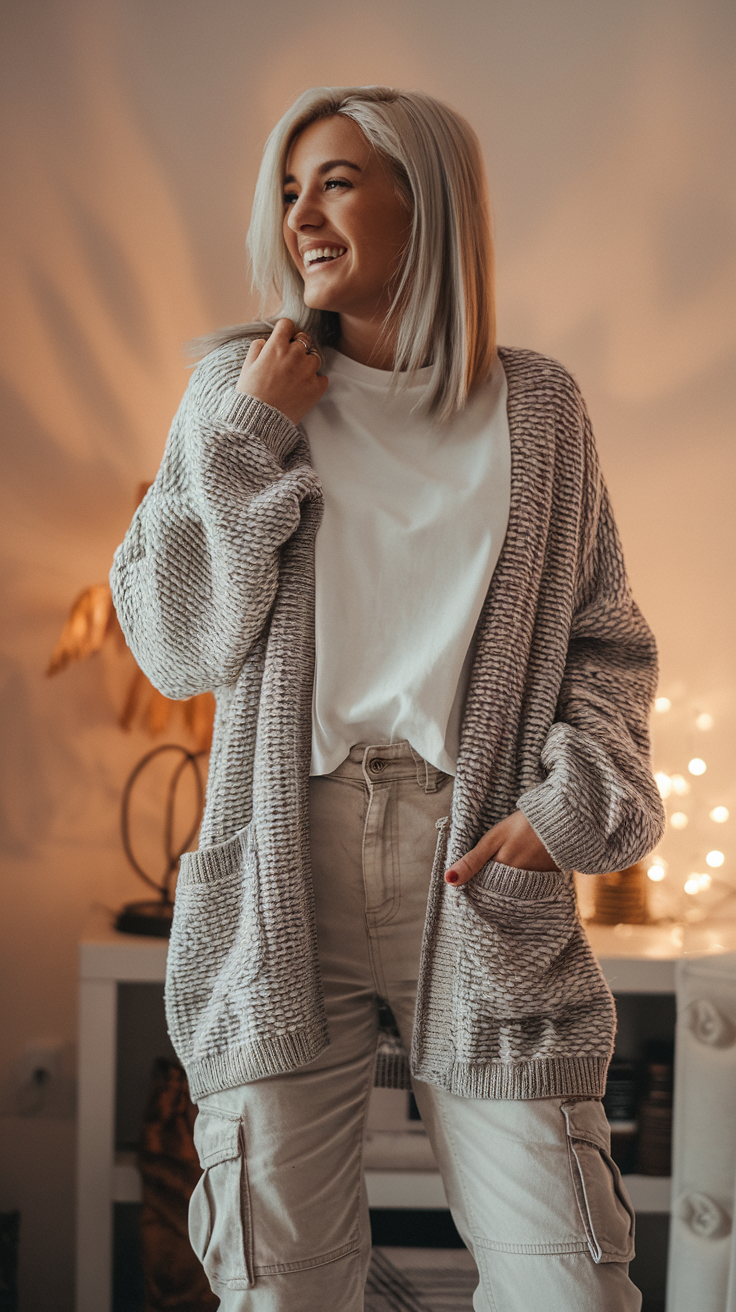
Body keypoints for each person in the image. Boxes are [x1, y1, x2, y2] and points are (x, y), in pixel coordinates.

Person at [111, 85, 665, 1312]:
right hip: (280, 861)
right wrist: (253, 434)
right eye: (292, 186)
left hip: (477, 862)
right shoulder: (235, 389)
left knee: (570, 1280)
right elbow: (175, 643)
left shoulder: (538, 408)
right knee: (284, 1282)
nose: (303, 211)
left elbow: (605, 646)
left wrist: (563, 813)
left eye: (340, 180)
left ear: (432, 204)